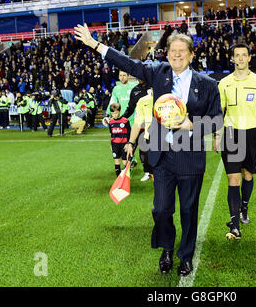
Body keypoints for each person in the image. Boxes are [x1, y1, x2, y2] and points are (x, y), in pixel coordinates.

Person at [74, 24, 223, 277]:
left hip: (190, 157)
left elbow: (217, 119)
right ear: (166, 54)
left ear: (191, 55)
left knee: (188, 211)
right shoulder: (158, 73)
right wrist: (94, 44)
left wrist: (192, 124)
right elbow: (129, 63)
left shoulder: (207, 84)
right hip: (162, 155)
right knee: (161, 209)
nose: (176, 55)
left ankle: (185, 256)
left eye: (182, 51)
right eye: (172, 51)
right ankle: (166, 248)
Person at [215, 44, 256, 240]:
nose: (240, 59)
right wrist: (217, 135)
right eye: (237, 55)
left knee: (247, 174)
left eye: (244, 55)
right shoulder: (223, 83)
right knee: (234, 178)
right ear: (232, 58)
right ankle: (235, 224)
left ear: (249, 58)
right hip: (231, 134)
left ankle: (244, 207)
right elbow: (219, 111)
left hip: (252, 134)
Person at [122, 78, 153, 181]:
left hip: (154, 129)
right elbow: (130, 108)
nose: (139, 78)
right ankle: (126, 171)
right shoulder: (135, 92)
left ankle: (148, 172)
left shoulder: (154, 89)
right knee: (134, 148)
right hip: (139, 125)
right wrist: (122, 118)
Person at [104, 102, 131, 176]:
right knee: (116, 161)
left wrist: (128, 144)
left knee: (125, 162)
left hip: (124, 144)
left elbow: (129, 133)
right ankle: (118, 178)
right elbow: (112, 134)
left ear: (119, 111)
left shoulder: (125, 121)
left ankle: (127, 177)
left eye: (116, 113)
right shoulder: (111, 122)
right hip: (115, 144)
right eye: (112, 114)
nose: (114, 115)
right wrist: (111, 145)